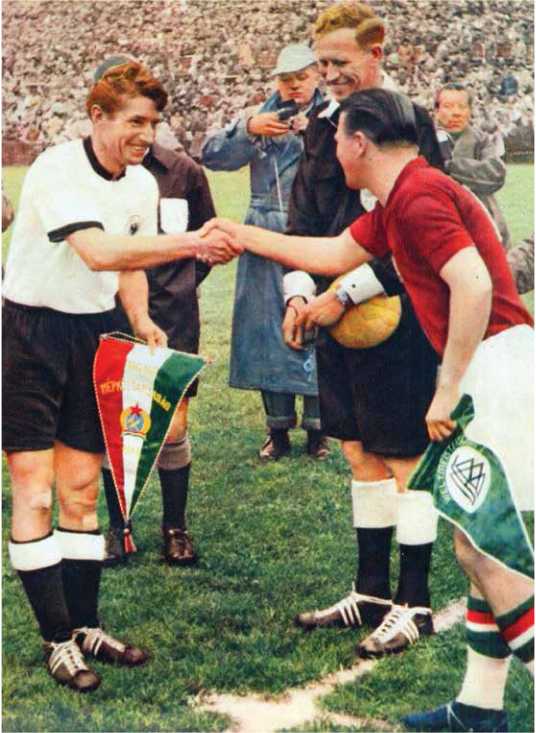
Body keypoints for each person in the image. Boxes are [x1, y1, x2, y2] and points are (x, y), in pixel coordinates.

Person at [202, 87, 534, 733]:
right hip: (494, 367)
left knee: (486, 552)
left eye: (337, 140)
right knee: (477, 547)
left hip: (496, 371)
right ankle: (479, 707)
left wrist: (448, 386)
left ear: (359, 142)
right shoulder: (402, 195)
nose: (331, 151)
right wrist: (241, 234)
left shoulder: (418, 196)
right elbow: (330, 256)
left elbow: (473, 284)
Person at [2, 60, 240, 693]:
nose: (146, 135)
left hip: (96, 333)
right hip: (30, 334)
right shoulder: (56, 168)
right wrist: (192, 243)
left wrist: (140, 319)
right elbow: (100, 251)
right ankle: (55, 640)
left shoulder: (139, 184)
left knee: (82, 491)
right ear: (97, 116)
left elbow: (127, 266)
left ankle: (86, 627)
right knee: (36, 492)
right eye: (135, 121)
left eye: (153, 123)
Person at [271, 1, 444, 658]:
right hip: (334, 317)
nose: (330, 73)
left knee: (404, 456)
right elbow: (303, 221)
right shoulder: (321, 127)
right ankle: (371, 592)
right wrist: (299, 294)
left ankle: (415, 602)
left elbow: (420, 234)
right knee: (358, 452)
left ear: (376, 53)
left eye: (340, 61)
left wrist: (346, 292)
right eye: (322, 62)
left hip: (399, 313)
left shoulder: (411, 123)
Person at [92, 58, 218, 569]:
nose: (143, 131)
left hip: (171, 315)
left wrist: (178, 286)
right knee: (112, 420)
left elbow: (204, 241)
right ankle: (118, 526)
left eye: (151, 120)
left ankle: (175, 527)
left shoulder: (183, 172)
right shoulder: (86, 175)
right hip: (105, 313)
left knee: (172, 424)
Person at [202, 44, 329, 461]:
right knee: (265, 330)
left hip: (314, 229)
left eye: (301, 78)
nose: (293, 86)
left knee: (316, 321)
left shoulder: (333, 114)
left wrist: (313, 133)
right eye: (285, 79)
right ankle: (278, 429)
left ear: (317, 75)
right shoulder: (259, 114)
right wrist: (249, 129)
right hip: (263, 228)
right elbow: (212, 155)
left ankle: (319, 429)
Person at [434, 82, 511, 248]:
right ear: (436, 111)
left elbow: (495, 174)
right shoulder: (424, 141)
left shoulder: (481, 140)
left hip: (481, 222)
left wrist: (450, 165)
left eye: (462, 107)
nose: (456, 113)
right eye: (448, 106)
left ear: (469, 111)